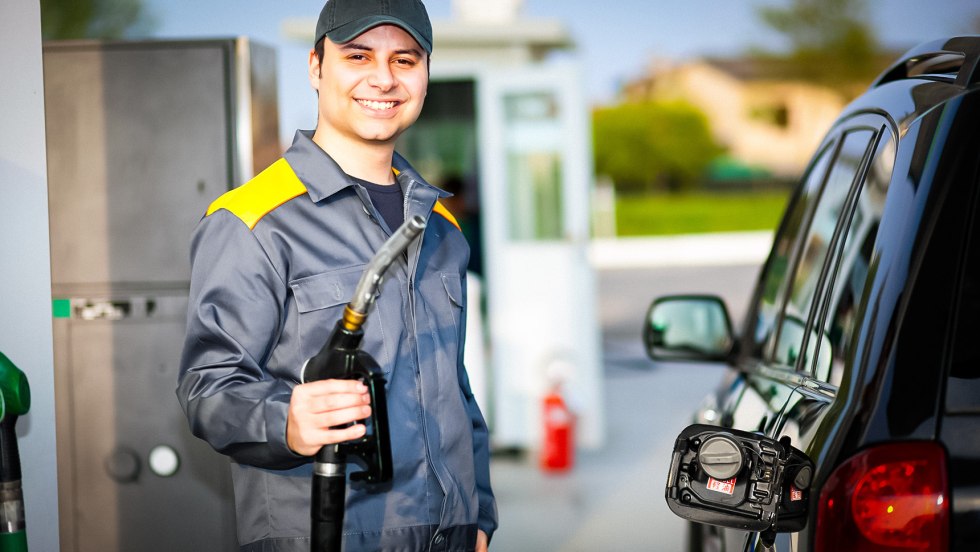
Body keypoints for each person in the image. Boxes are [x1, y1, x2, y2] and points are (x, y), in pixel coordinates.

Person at [176, 1, 497, 550]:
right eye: (358, 55)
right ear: (317, 68)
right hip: (325, 535)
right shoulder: (253, 222)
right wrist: (283, 421)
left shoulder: (439, 225)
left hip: (449, 534)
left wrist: (480, 515)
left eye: (405, 59)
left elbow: (454, 388)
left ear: (424, 74)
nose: (383, 78)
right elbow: (208, 386)